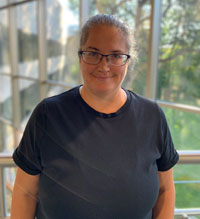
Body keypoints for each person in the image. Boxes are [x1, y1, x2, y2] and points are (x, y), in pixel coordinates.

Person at [11, 14, 179, 219]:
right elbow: (25, 193)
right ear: (80, 55)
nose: (104, 66)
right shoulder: (48, 115)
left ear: (128, 60)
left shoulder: (153, 117)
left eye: (116, 55)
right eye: (93, 53)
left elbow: (165, 191)